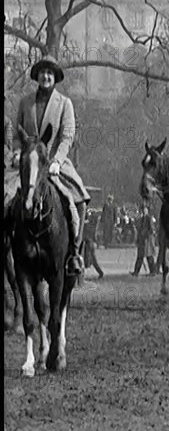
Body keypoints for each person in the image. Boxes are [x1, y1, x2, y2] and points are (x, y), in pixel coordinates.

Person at [5, 55, 91, 275]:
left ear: (55, 78)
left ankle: (74, 253)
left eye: (50, 73)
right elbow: (17, 134)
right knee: (7, 199)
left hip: (54, 163)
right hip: (28, 164)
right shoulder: (25, 102)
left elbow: (67, 136)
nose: (45, 76)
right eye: (42, 72)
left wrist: (57, 161)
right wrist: (16, 154)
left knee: (77, 199)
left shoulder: (65, 104)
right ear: (37, 76)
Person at [131, 204, 157, 277]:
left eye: (144, 209)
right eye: (142, 209)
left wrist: (146, 236)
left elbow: (151, 230)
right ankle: (136, 272)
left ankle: (153, 271)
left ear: (147, 210)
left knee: (149, 256)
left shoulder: (149, 218)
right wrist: (138, 239)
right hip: (142, 240)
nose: (143, 211)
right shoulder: (141, 219)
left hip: (147, 240)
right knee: (140, 256)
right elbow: (139, 230)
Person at [82, 209, 104, 279]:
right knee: (93, 260)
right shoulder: (92, 226)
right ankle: (100, 272)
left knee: (87, 259)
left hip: (87, 243)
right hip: (90, 243)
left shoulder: (86, 226)